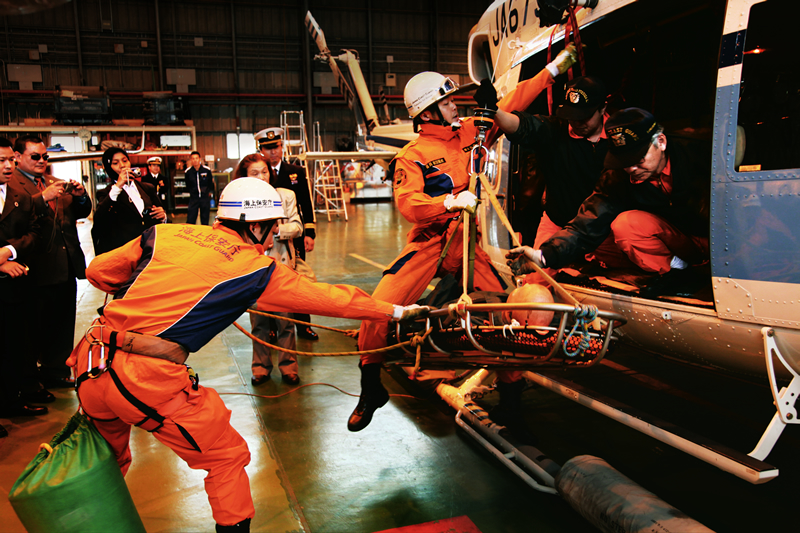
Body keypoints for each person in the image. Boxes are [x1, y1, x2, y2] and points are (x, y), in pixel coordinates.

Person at [67, 177, 424, 532]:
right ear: (254, 226)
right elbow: (330, 299)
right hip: (142, 379)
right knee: (226, 457)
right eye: (270, 230)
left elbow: (97, 271)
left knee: (108, 463)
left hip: (90, 363)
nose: (272, 239)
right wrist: (395, 311)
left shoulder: (166, 233)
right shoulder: (255, 270)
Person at [349, 46, 579, 433]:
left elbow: (509, 102)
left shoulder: (470, 132)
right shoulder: (413, 155)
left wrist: (553, 71)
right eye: (447, 102)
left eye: (454, 100)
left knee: (502, 316)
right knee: (376, 309)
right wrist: (450, 201)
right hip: (431, 242)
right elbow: (409, 204)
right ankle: (371, 387)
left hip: (467, 247)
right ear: (427, 114)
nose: (455, 107)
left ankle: (510, 398)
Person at [507, 108, 710, 297]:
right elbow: (587, 225)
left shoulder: (700, 153)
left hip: (716, 241)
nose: (631, 169)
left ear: (661, 142)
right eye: (625, 162)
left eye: (638, 159)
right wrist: (544, 256)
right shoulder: (617, 178)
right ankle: (679, 272)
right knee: (625, 224)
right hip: (677, 241)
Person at [489, 76, 611, 248]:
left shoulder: (618, 137)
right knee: (540, 274)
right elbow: (524, 126)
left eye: (584, 117)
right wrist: (495, 111)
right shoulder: (555, 131)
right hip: (558, 223)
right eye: (572, 116)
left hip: (603, 230)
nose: (577, 123)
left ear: (603, 108)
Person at [12, 135, 92, 389]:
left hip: (65, 263)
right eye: (35, 156)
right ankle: (32, 377)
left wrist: (80, 197)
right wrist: (41, 198)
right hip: (36, 266)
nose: (42, 161)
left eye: (45, 157)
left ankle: (56, 370)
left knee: (63, 320)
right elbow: (14, 217)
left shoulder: (53, 182)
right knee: (35, 325)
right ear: (18, 157)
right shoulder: (13, 185)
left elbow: (78, 212)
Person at [234, 153, 303, 386]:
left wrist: (276, 232)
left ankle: (289, 367)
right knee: (259, 323)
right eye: (255, 173)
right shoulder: (237, 200)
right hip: (253, 269)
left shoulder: (285, 196)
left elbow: (297, 226)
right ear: (244, 177)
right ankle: (260, 367)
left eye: (264, 171)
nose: (262, 177)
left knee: (286, 321)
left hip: (281, 266)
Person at [255, 128, 319, 340]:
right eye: (268, 148)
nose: (273, 152)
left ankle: (303, 325)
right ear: (260, 149)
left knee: (297, 281)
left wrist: (309, 232)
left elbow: (305, 202)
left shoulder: (295, 171)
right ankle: (272, 325)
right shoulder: (258, 174)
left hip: (293, 236)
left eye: (276, 147)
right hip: (267, 241)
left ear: (282, 147)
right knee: (270, 281)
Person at [0, 136, 46, 423]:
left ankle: (11, 400)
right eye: (1, 161)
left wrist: (8, 252)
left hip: (14, 290)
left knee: (12, 346)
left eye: (10, 160)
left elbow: (34, 234)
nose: (8, 166)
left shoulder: (20, 195)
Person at [92, 147, 168, 255]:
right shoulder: (107, 193)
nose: (122, 165)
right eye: (115, 163)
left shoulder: (147, 188)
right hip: (126, 252)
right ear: (109, 167)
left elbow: (161, 213)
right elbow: (100, 220)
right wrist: (118, 186)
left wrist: (163, 216)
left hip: (150, 248)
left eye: (124, 160)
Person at [185, 150, 214, 225]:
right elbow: (187, 185)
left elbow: (210, 183)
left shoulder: (207, 170)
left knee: (205, 219)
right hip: (194, 198)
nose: (195, 160)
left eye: (196, 158)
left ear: (200, 159)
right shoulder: (188, 172)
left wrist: (208, 192)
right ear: (191, 160)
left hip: (204, 198)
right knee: (191, 219)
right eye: (193, 158)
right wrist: (193, 192)